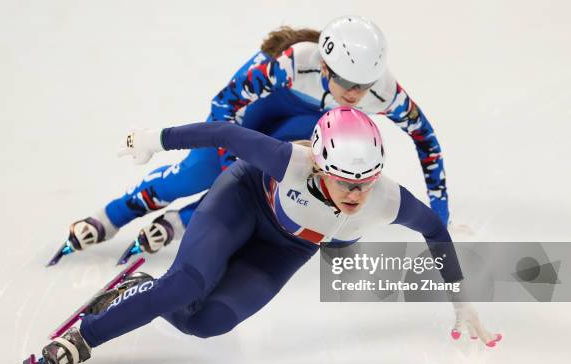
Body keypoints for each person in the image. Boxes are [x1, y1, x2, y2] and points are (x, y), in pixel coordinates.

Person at [38, 108, 499, 364]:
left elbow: (435, 232)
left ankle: (139, 288)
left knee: (206, 323)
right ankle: (85, 337)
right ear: (320, 167)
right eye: (344, 182)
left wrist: (461, 300)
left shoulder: (386, 200)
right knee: (187, 285)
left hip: (286, 249)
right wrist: (152, 140)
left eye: (366, 183)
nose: (356, 196)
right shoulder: (288, 161)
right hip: (242, 200)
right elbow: (222, 134)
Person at [50, 15, 450, 265]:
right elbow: (223, 107)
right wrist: (228, 167)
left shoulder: (385, 91)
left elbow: (426, 141)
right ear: (324, 65)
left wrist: (441, 212)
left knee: (277, 188)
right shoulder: (287, 65)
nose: (354, 94)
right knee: (196, 174)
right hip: (250, 121)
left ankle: (180, 222)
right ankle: (111, 216)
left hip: (301, 137)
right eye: (345, 81)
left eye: (363, 85)